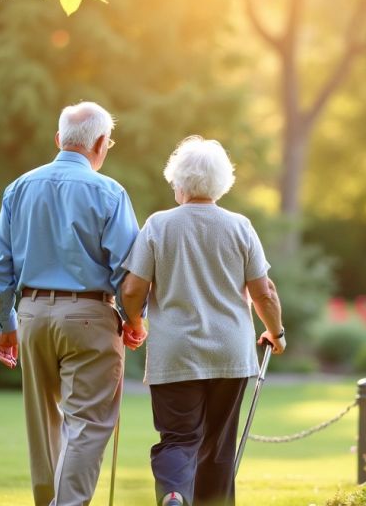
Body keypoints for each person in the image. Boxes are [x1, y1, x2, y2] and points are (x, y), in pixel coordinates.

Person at [0, 101, 143, 506]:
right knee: (89, 425)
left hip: (32, 315)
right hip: (90, 316)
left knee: (44, 427)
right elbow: (129, 272)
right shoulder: (110, 192)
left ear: (59, 140)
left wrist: (6, 324)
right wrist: (134, 320)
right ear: (101, 143)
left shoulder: (18, 188)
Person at [120, 136, 285, 506]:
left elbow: (132, 289)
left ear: (179, 181)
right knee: (220, 445)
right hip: (230, 352)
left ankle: (175, 494)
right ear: (221, 182)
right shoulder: (240, 226)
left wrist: (135, 322)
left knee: (178, 438)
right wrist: (276, 333)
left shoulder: (158, 225)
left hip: (175, 352)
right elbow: (265, 293)